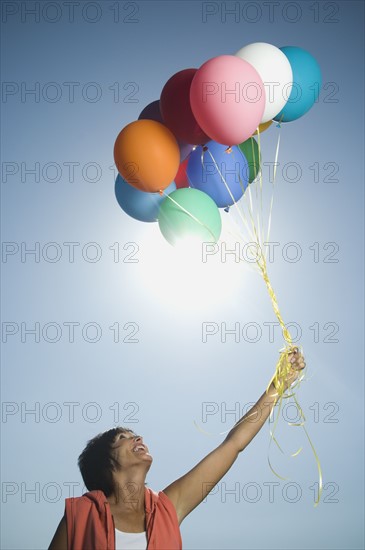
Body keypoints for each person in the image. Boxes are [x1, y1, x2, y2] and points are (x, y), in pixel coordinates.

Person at [48, 348, 305, 550]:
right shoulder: (80, 514)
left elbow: (233, 445)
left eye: (134, 433)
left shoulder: (167, 508)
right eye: (122, 438)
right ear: (106, 463)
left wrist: (276, 388)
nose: (136, 437)